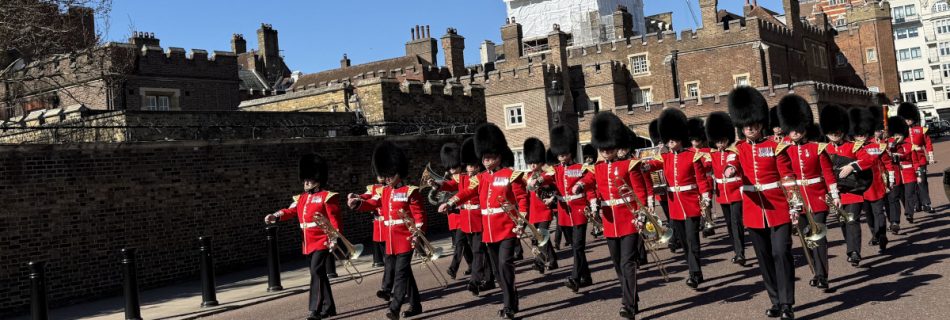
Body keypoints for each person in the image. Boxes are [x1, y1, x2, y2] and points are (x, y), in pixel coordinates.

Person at [440, 124, 529, 319]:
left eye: (490, 156)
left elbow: (522, 200)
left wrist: (521, 223)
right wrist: (452, 202)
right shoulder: (480, 178)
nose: (487, 160)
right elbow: (466, 192)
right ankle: (511, 297)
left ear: (498, 156)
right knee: (497, 271)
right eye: (484, 157)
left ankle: (508, 305)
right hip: (488, 230)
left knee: (505, 264)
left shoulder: (511, 176)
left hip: (506, 227)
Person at [724, 86, 797, 320]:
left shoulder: (775, 146)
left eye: (753, 125)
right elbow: (733, 163)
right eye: (746, 126)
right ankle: (775, 300)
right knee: (764, 259)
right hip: (754, 210)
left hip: (778, 208)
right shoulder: (738, 149)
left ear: (760, 123)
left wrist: (794, 204)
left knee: (781, 253)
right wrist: (728, 169)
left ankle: (787, 303)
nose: (750, 129)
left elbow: (787, 177)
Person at [576, 112, 651, 319]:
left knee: (627, 263)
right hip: (610, 221)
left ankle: (627, 304)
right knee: (617, 263)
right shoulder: (598, 168)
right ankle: (632, 298)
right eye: (603, 148)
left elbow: (640, 192)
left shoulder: (629, 165)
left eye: (609, 148)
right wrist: (579, 185)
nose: (606, 152)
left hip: (629, 219)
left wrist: (641, 214)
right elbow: (589, 179)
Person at [347, 142, 425, 320]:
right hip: (390, 238)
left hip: (406, 238)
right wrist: (358, 204)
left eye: (390, 174)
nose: (387, 178)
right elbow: (373, 203)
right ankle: (416, 305)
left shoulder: (410, 191)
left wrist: (417, 235)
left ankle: (395, 307)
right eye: (385, 174)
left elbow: (419, 217)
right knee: (405, 273)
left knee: (400, 273)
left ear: (399, 171)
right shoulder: (384, 191)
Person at [264, 154, 339, 320]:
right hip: (308, 242)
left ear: (318, 180)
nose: (306, 183)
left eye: (310, 180)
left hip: (322, 241)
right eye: (305, 179)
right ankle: (329, 307)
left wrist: (334, 239)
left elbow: (334, 220)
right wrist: (275, 216)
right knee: (319, 274)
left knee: (316, 271)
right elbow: (289, 211)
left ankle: (315, 309)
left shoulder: (327, 196)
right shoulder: (301, 198)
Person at [644, 108, 712, 289]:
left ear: (680, 138)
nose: (671, 142)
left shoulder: (692, 156)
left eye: (673, 138)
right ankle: (694, 270)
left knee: (692, 239)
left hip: (691, 204)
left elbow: (701, 179)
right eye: (668, 139)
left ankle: (695, 273)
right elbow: (652, 165)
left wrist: (705, 197)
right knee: (683, 241)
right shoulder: (664, 158)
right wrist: (644, 165)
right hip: (675, 205)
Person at [777, 94, 839, 291]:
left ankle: (823, 275)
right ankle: (815, 270)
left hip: (818, 198)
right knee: (806, 238)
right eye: (792, 129)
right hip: (797, 200)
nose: (795, 132)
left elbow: (828, 173)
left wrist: (835, 195)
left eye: (798, 128)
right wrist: (791, 203)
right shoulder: (783, 149)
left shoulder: (816, 148)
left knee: (818, 237)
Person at [529, 125, 593, 292]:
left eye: (564, 154)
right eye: (560, 154)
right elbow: (546, 177)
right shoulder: (555, 170)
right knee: (575, 247)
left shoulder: (580, 168)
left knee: (578, 246)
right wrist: (538, 181)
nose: (562, 157)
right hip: (564, 213)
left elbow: (590, 180)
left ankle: (575, 277)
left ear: (570, 152)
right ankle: (586, 277)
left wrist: (580, 185)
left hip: (579, 212)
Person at [432, 138, 495, 296]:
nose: (469, 168)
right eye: (467, 165)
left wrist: (452, 202)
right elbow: (451, 185)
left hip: (478, 217)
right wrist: (438, 184)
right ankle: (490, 279)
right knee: (480, 252)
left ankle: (474, 281)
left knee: (478, 250)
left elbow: (465, 193)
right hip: (466, 219)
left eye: (472, 166)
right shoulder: (462, 176)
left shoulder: (481, 177)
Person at [821, 105, 873, 267]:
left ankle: (854, 251)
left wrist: (852, 166)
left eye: (837, 132)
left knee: (852, 220)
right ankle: (851, 248)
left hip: (852, 191)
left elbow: (868, 160)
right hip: (834, 192)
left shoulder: (853, 145)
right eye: (831, 133)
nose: (834, 135)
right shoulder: (824, 149)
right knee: (843, 221)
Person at [705, 112, 747, 266]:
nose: (720, 144)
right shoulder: (713, 154)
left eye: (722, 141)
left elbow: (733, 163)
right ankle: (736, 251)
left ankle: (741, 253)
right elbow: (705, 165)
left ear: (727, 139)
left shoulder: (733, 152)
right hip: (722, 194)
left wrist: (730, 169)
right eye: (717, 142)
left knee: (737, 222)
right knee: (729, 224)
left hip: (736, 192)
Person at [850, 107, 892, 252]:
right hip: (860, 187)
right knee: (868, 214)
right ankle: (875, 233)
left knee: (878, 212)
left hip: (876, 184)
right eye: (858, 135)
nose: (861, 137)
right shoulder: (852, 148)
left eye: (863, 134)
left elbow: (887, 162)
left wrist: (890, 179)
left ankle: (882, 235)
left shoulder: (877, 146)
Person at [438, 143, 474, 280]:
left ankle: (453, 268)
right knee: (463, 244)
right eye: (450, 167)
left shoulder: (468, 177)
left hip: (466, 214)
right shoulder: (452, 178)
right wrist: (437, 186)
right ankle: (472, 265)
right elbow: (447, 188)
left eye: (454, 166)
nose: (452, 170)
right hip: (454, 215)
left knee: (460, 242)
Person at [522, 138, 558, 274]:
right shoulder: (527, 176)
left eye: (535, 162)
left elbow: (550, 179)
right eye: (530, 162)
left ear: (541, 162)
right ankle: (552, 259)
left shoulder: (546, 173)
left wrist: (539, 179)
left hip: (544, 211)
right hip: (533, 212)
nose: (532, 165)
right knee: (540, 238)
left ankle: (539, 262)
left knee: (541, 236)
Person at [360, 176, 396, 302]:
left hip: (389, 229)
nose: (380, 177)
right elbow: (365, 196)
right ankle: (397, 289)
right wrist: (356, 197)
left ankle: (387, 289)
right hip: (379, 229)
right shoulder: (373, 188)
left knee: (390, 262)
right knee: (389, 262)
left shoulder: (392, 188)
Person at [897, 103, 937, 213]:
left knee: (922, 181)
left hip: (920, 159)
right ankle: (916, 204)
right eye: (905, 119)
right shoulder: (900, 133)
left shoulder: (921, 130)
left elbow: (928, 144)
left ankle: (926, 204)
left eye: (909, 119)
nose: (908, 121)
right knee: (911, 184)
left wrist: (931, 157)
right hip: (907, 161)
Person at [886, 116, 922, 227]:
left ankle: (909, 213)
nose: (897, 137)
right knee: (894, 198)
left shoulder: (909, 146)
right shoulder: (890, 145)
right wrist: (891, 148)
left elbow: (915, 161)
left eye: (899, 135)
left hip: (909, 174)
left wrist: (918, 174)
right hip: (897, 176)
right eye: (895, 135)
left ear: (903, 135)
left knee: (909, 195)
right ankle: (895, 222)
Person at [687, 117, 716, 237]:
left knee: (706, 203)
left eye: (697, 139)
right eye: (693, 140)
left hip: (706, 180)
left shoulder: (708, 151)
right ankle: (703, 221)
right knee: (697, 204)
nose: (695, 142)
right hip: (694, 182)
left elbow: (711, 165)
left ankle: (708, 223)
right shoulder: (688, 152)